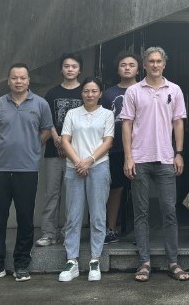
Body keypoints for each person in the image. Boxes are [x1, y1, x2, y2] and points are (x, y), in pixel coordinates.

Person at [121, 47, 189, 282]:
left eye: (159, 61)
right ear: (144, 64)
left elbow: (178, 122)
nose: (155, 65)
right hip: (139, 158)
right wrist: (128, 157)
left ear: (164, 64)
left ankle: (173, 262)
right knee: (141, 212)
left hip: (166, 157)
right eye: (151, 61)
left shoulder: (174, 90)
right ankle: (144, 262)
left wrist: (179, 153)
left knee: (169, 210)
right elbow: (126, 124)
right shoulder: (133, 91)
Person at [0, 63, 53, 283]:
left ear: (29, 80)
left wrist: (32, 148)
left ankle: (21, 264)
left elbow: (46, 131)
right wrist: (2, 148)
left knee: (25, 218)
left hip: (27, 170)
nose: (18, 81)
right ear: (8, 81)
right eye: (14, 78)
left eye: (22, 78)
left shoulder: (40, 104)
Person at [58, 77, 115, 283]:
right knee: (73, 215)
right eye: (86, 91)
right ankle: (71, 260)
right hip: (74, 167)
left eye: (94, 91)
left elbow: (108, 141)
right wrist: (78, 162)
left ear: (100, 94)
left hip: (98, 166)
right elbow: (65, 139)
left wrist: (89, 161)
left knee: (98, 214)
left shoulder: (107, 114)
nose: (90, 94)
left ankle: (95, 259)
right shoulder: (72, 113)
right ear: (81, 93)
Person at [37, 54, 84, 248]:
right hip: (53, 150)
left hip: (77, 152)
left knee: (74, 195)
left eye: (74, 66)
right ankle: (49, 233)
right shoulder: (52, 93)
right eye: (66, 66)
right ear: (61, 69)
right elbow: (47, 120)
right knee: (52, 193)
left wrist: (68, 144)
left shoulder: (85, 91)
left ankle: (69, 233)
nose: (70, 69)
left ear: (80, 69)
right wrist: (57, 139)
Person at [101, 52, 140, 245]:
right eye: (123, 65)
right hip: (115, 147)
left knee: (139, 190)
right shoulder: (108, 94)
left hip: (140, 148)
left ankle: (141, 232)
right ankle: (110, 229)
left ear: (138, 69)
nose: (127, 68)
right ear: (117, 69)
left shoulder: (144, 90)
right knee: (115, 188)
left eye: (131, 65)